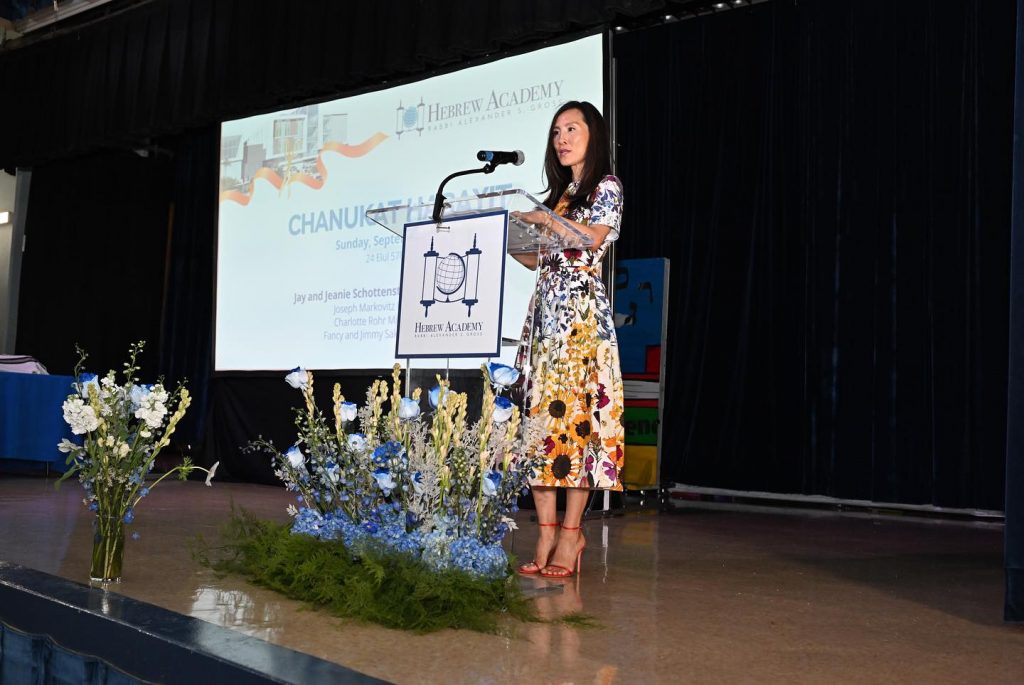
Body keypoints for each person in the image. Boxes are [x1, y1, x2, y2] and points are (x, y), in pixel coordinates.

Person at [510, 100, 625, 579]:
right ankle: (546, 530)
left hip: (580, 325)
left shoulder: (607, 187)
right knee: (540, 429)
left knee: (577, 430)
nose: (562, 138)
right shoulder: (558, 197)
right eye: (557, 130)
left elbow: (592, 239)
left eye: (571, 129)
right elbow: (537, 262)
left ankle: (573, 535)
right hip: (544, 323)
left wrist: (544, 221)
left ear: (592, 135)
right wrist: (512, 237)